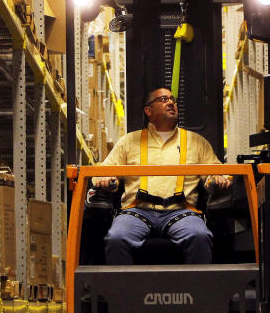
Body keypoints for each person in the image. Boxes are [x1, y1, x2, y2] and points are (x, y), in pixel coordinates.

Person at [93, 87, 232, 264]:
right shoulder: (129, 141)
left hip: (181, 212)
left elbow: (216, 172)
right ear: (148, 111)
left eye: (172, 99)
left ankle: (197, 290)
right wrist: (106, 180)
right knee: (116, 238)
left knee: (199, 236)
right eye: (164, 99)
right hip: (136, 212)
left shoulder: (196, 142)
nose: (171, 103)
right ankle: (123, 291)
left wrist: (217, 179)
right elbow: (100, 174)